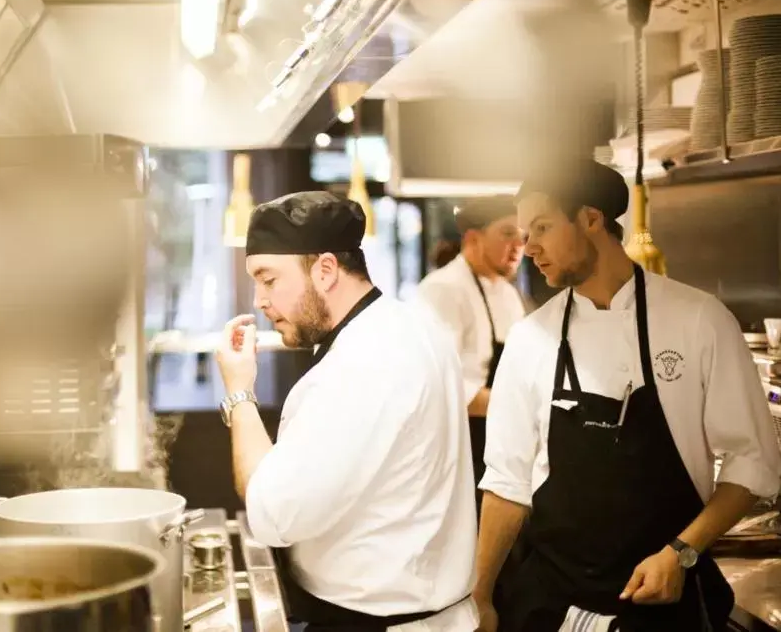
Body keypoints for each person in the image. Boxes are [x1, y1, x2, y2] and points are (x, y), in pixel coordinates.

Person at [473, 159, 781, 632]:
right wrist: (480, 596)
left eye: (542, 227)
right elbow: (506, 483)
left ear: (591, 219)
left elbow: (752, 461)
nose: (529, 247)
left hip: (661, 604)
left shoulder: (698, 319)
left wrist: (682, 552)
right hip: (552, 603)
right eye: (523, 232)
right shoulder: (530, 337)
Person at [214, 190, 478, 631]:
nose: (259, 300)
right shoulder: (407, 326)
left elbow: (273, 516)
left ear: (325, 270)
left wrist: (239, 392)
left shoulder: (365, 361)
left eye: (269, 279)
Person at [417, 197, 526, 515]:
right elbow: (438, 383)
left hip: (498, 440)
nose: (518, 245)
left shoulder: (507, 293)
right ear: (472, 238)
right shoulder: (442, 289)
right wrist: (516, 406)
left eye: (522, 236)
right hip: (458, 445)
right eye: (507, 233)